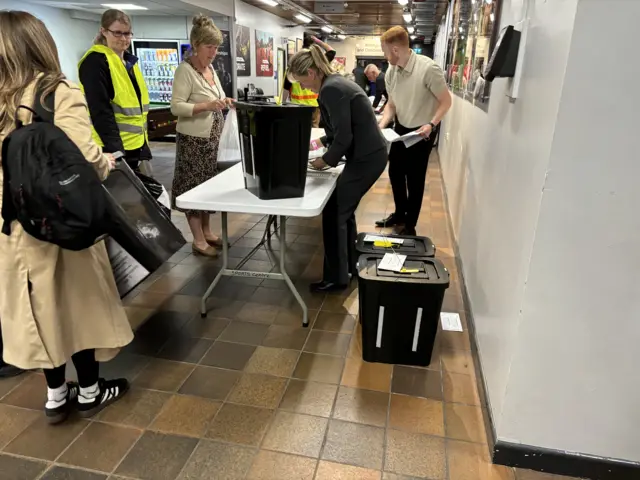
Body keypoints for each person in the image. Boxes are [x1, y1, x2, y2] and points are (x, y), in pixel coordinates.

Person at [0, 11, 133, 424]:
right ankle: (91, 390)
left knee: (38, 311)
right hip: (62, 222)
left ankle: (56, 395)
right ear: (41, 43)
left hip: (13, 226)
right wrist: (107, 162)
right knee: (79, 306)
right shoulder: (55, 91)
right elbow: (86, 158)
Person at [289, 46, 388, 293]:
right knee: (344, 211)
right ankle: (348, 267)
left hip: (367, 158)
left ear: (311, 73)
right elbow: (337, 131)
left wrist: (324, 161)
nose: (303, 87)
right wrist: (317, 143)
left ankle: (336, 278)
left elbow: (344, 136)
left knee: (334, 213)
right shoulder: (334, 84)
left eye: (302, 82)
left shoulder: (331, 89)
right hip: (369, 155)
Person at [377, 26, 452, 236]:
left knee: (415, 178)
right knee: (395, 172)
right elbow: (391, 105)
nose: (383, 55)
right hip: (401, 128)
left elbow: (446, 102)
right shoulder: (391, 72)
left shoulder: (428, 69)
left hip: (423, 130)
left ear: (395, 50)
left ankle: (410, 225)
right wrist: (381, 125)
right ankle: (400, 213)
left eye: (384, 51)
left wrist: (432, 124)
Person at [171, 15, 234, 257]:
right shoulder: (185, 71)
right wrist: (205, 106)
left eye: (216, 47)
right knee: (192, 188)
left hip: (212, 142)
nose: (214, 52)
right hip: (193, 143)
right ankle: (197, 239)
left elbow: (216, 95)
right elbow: (176, 107)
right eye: (209, 47)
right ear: (196, 45)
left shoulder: (211, 70)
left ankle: (207, 232)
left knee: (208, 187)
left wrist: (225, 101)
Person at [79, 9, 151, 171]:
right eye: (117, 33)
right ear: (104, 31)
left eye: (127, 33)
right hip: (112, 148)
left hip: (135, 144)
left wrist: (144, 146)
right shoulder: (95, 62)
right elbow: (100, 111)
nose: (124, 39)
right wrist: (117, 152)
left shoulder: (128, 61)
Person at [282, 35, 335, 127]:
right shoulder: (319, 64)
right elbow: (331, 51)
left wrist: (282, 106)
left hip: (297, 107)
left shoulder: (293, 70)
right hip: (314, 105)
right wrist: (317, 40)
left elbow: (285, 90)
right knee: (313, 129)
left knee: (298, 129)